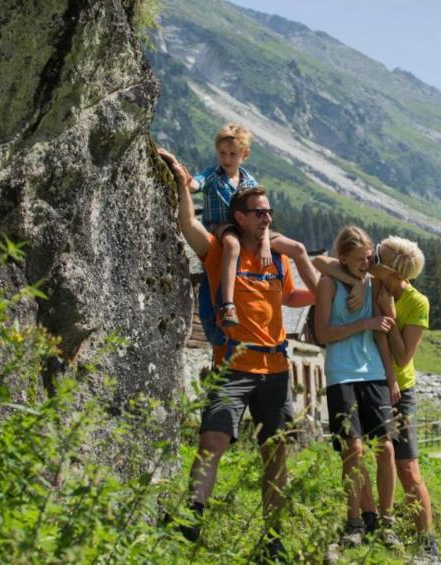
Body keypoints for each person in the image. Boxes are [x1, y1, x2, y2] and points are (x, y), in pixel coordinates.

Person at [159, 150, 316, 560]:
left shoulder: (277, 257)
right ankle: (190, 521)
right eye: (259, 213)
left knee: (275, 452)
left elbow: (298, 296)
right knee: (212, 441)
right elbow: (188, 224)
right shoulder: (219, 249)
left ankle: (273, 537)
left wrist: (311, 269)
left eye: (269, 212)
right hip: (232, 366)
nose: (267, 218)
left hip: (276, 368)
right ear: (240, 216)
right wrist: (181, 181)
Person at [314, 236, 440, 561]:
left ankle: (428, 545)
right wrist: (350, 281)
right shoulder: (370, 283)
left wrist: (388, 313)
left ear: (391, 270)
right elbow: (328, 262)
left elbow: (402, 355)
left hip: (401, 384)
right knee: (361, 448)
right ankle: (369, 517)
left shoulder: (416, 303)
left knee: (406, 465)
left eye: (376, 258)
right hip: (378, 378)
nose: (370, 261)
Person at [162, 124, 318, 327]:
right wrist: (177, 168)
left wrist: (264, 244)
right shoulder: (212, 175)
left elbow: (262, 216)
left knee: (297, 248)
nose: (226, 159)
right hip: (222, 226)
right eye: (222, 153)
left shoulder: (250, 182)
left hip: (251, 229)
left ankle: (321, 294)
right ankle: (227, 305)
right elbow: (193, 185)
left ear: (245, 154)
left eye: (232, 154)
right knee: (233, 245)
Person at [313, 226, 401, 549]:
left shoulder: (375, 284)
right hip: (341, 374)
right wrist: (363, 322)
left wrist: (391, 379)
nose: (365, 264)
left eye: (368, 258)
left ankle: (386, 522)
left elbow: (382, 335)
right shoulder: (327, 283)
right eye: (359, 260)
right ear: (343, 258)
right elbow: (323, 334)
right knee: (353, 449)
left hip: (374, 373)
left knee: (387, 448)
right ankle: (355, 522)